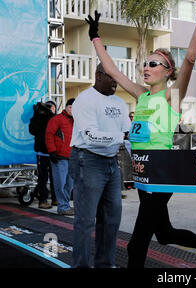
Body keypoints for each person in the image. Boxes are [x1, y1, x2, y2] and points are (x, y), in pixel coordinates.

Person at [85, 0, 196, 268]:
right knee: (163, 233)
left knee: (137, 243)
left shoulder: (172, 96)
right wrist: (95, 38)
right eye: (144, 63)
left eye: (153, 63)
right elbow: (112, 70)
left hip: (162, 171)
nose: (146, 67)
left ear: (168, 71)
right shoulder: (141, 94)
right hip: (142, 172)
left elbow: (189, 58)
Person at [68, 63, 132, 268]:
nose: (116, 81)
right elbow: (90, 136)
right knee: (86, 221)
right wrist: (122, 137)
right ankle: (82, 266)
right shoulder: (85, 100)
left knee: (112, 218)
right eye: (111, 76)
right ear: (98, 75)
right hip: (87, 160)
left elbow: (129, 134)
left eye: (117, 77)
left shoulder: (120, 102)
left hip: (111, 162)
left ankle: (105, 264)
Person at [45, 98, 75, 215]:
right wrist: (52, 151)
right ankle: (62, 207)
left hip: (72, 157)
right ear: (66, 107)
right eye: (70, 107)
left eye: (74, 108)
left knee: (69, 184)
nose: (72, 110)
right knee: (60, 183)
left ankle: (65, 205)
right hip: (59, 157)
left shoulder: (76, 121)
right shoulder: (56, 119)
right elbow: (49, 135)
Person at [28, 100, 57, 209]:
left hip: (54, 153)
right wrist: (37, 115)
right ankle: (43, 200)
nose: (52, 109)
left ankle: (55, 199)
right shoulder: (40, 118)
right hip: (42, 153)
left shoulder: (56, 119)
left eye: (54, 107)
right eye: (49, 107)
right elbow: (33, 130)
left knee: (56, 178)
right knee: (43, 178)